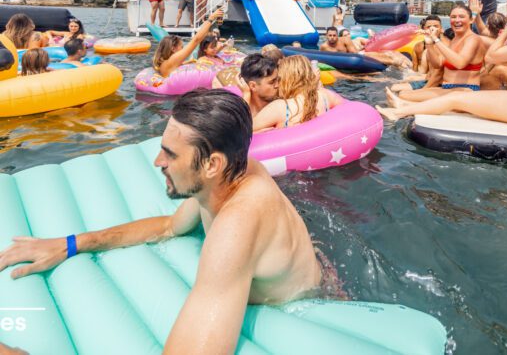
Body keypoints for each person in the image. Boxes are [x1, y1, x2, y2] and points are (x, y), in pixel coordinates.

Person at [0, 90, 323, 354]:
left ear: (212, 164)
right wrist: (72, 243)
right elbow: (170, 226)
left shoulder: (237, 225)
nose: (157, 162)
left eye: (170, 154)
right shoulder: (228, 174)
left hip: (299, 305)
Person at [377, 3, 507, 126]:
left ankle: (399, 112)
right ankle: (404, 104)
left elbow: (493, 56)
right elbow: (497, 52)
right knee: (457, 99)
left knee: (457, 99)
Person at [394, 4, 485, 102]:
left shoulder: (473, 39)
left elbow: (460, 63)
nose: (457, 20)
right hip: (449, 89)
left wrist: (436, 39)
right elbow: (437, 64)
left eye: (461, 17)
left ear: (471, 20)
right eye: (453, 17)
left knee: (404, 96)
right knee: (402, 93)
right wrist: (429, 44)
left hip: (465, 90)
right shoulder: (455, 40)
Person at [253, 55, 341, 131]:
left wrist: (247, 95)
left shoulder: (280, 107)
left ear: (286, 78)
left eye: (279, 78)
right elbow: (348, 110)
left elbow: (243, 131)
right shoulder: (325, 96)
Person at [153, 10, 223, 78]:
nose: (183, 49)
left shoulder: (164, 63)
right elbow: (196, 40)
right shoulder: (173, 59)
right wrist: (211, 18)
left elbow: (174, 68)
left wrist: (188, 62)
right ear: (173, 49)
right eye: (181, 47)